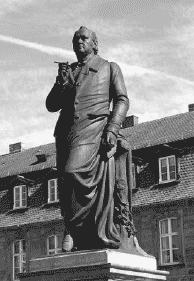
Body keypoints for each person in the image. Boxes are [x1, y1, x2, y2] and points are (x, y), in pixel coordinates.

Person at [46, 26, 147, 255]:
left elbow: (122, 99)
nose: (79, 42)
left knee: (74, 173)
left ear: (95, 44)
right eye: (76, 39)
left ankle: (82, 230)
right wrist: (60, 83)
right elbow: (51, 105)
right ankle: (77, 232)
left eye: (84, 38)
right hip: (67, 134)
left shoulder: (108, 67)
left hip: (95, 129)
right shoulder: (69, 71)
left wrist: (112, 128)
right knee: (65, 187)